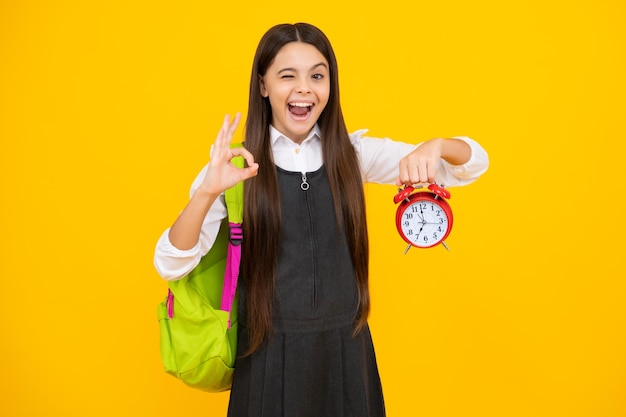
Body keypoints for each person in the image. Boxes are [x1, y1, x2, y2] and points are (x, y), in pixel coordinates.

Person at [154, 22, 489, 417]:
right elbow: (170, 262)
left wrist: (437, 146)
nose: (304, 88)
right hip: (265, 358)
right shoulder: (232, 167)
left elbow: (473, 163)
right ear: (263, 85)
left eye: (317, 75)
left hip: (346, 356)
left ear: (330, 85)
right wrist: (208, 191)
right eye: (287, 76)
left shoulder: (352, 152)